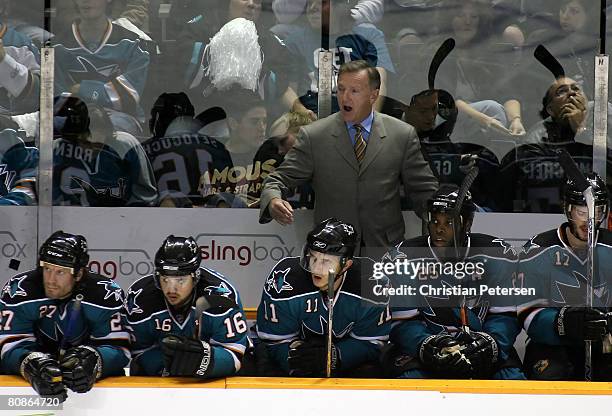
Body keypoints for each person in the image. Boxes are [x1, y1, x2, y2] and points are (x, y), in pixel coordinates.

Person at [259, 60, 438, 250]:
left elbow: (424, 190)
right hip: (331, 252)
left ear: (373, 95)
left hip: (384, 250)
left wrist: (441, 214)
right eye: (341, 89)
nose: (345, 97)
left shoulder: (402, 134)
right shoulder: (315, 136)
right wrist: (273, 199)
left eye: (354, 91)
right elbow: (277, 180)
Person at [383, 185, 525, 379]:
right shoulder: (403, 257)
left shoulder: (497, 255)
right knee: (409, 384)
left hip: (480, 347)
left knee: (512, 381)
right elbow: (403, 321)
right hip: (424, 351)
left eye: (449, 222)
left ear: (467, 224)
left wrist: (490, 342)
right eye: (434, 221)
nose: (439, 229)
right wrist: (426, 345)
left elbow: (506, 315)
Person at [0, 231, 129, 401]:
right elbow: (8, 346)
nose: (51, 280)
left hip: (93, 392)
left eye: (60, 272)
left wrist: (93, 360)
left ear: (79, 274)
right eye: (47, 269)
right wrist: (31, 364)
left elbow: (120, 350)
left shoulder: (104, 294)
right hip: (28, 389)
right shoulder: (20, 291)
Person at [256, 218, 390, 377]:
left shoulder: (372, 283)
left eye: (326, 261)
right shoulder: (284, 280)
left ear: (346, 265)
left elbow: (372, 342)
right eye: (313, 258)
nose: (317, 269)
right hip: (293, 360)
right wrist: (296, 360)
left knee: (373, 371)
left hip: (348, 366)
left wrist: (338, 356)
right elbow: (273, 341)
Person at [518, 173, 612, 381]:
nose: (589, 221)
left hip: (602, 345)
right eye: (581, 212)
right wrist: (564, 323)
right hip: (552, 345)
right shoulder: (538, 249)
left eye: (597, 211)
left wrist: (606, 323)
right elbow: (527, 314)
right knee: (552, 373)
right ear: (567, 209)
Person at [124, 235, 248, 378]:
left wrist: (204, 361)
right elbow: (137, 354)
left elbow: (236, 354)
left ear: (195, 277)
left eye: (180, 280)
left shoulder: (221, 297)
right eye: (165, 279)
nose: (171, 289)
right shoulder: (141, 298)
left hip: (214, 380)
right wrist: (166, 363)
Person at [52, 94, 158, 207]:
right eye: (85, 143)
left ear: (107, 134)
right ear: (74, 137)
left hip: (123, 219)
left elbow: (145, 194)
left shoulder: (125, 145)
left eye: (97, 145)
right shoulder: (57, 149)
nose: (91, 150)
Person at [142, 92, 233, 207]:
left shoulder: (144, 150)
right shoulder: (217, 148)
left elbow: (137, 196)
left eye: (155, 116)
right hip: (214, 217)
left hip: (163, 217)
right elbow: (230, 191)